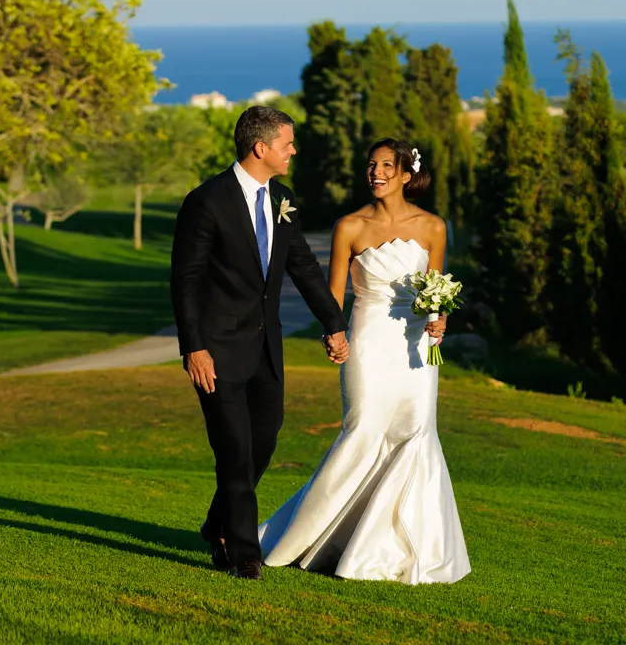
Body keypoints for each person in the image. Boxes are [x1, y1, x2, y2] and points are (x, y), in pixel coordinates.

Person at [259, 138, 470, 585]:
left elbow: (437, 289)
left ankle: (393, 550)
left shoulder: (433, 227)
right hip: (369, 341)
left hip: (416, 350)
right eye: (371, 165)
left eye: (386, 167)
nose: (376, 173)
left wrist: (440, 319)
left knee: (414, 434)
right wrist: (331, 332)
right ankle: (303, 539)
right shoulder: (349, 226)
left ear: (406, 175)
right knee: (363, 431)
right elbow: (333, 292)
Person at [170, 106, 349, 580]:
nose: (294, 150)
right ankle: (243, 552)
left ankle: (218, 523)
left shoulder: (282, 199)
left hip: (268, 351)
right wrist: (194, 346)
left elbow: (304, 268)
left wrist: (333, 322)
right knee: (234, 449)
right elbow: (184, 281)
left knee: (262, 443)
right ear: (261, 147)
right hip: (216, 352)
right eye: (287, 143)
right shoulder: (205, 202)